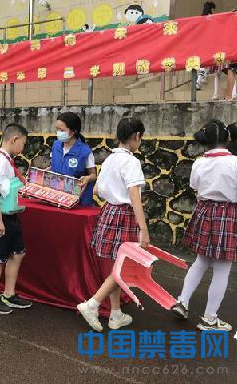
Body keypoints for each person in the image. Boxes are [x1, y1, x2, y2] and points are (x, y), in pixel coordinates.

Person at [77, 117, 149, 332]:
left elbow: (98, 190)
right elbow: (134, 195)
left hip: (109, 211)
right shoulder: (131, 162)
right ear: (137, 136)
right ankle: (92, 304)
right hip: (124, 214)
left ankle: (116, 314)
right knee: (123, 267)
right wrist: (144, 228)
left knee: (116, 266)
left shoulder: (110, 159)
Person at [172, 120, 237, 332]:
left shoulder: (199, 163)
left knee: (201, 261)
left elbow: (195, 187)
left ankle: (182, 301)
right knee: (222, 268)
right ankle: (209, 318)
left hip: (204, 211)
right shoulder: (235, 163)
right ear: (227, 138)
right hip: (227, 214)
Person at [0, 123, 33, 315]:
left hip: (10, 216)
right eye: (23, 144)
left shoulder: (6, 160)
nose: (23, 148)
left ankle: (9, 294)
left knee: (17, 253)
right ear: (14, 139)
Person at [50, 112, 97, 206]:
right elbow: (53, 166)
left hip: (78, 200)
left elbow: (93, 175)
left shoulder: (85, 151)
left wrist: (87, 178)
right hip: (56, 196)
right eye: (57, 129)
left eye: (62, 130)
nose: (58, 133)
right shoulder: (56, 145)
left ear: (74, 131)